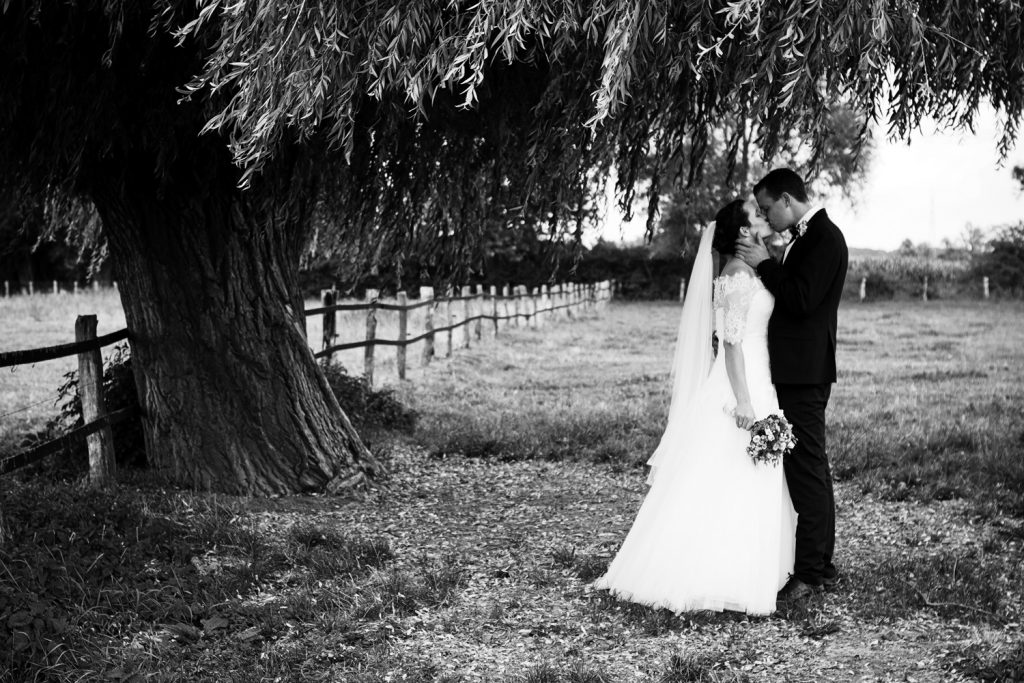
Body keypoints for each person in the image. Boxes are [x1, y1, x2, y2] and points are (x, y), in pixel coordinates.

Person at [593, 199, 796, 616]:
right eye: (756, 216)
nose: (762, 218)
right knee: (727, 470)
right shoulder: (737, 276)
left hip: (759, 377)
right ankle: (709, 573)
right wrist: (743, 400)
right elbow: (734, 343)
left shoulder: (748, 271)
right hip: (741, 384)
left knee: (736, 473)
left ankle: (745, 569)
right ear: (742, 233)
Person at [735, 168, 848, 602]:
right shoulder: (808, 236)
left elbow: (800, 299)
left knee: (806, 472)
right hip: (799, 370)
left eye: (767, 209)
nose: (766, 216)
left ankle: (810, 574)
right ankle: (821, 565)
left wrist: (764, 264)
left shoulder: (825, 237)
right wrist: (775, 260)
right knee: (812, 468)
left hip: (805, 373)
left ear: (787, 199)